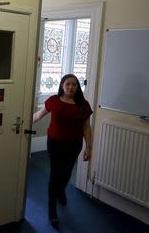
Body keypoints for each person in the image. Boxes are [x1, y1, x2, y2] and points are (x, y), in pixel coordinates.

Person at [33, 74, 93, 227]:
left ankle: (61, 190)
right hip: (55, 143)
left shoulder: (83, 104)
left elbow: (86, 126)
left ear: (77, 87)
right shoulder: (53, 100)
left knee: (66, 173)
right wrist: (23, 122)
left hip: (74, 144)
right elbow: (38, 115)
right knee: (55, 174)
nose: (71, 87)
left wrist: (89, 147)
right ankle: (52, 209)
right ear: (62, 85)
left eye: (74, 84)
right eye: (68, 84)